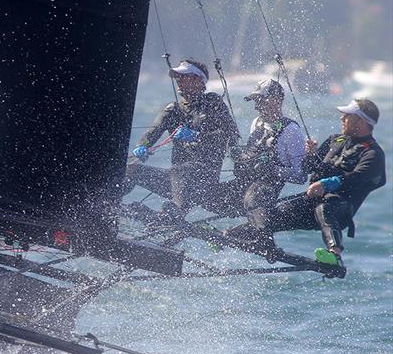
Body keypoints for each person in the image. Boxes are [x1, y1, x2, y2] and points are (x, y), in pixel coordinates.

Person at [268, 98, 385, 266]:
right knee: (271, 215)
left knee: (325, 207)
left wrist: (326, 184)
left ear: (360, 121)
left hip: (340, 209)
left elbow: (358, 177)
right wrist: (311, 155)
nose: (342, 119)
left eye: (347, 116)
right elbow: (309, 168)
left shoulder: (373, 154)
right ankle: (227, 236)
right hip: (311, 203)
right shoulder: (335, 140)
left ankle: (335, 255)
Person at [124, 59, 239, 221]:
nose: (179, 79)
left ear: (199, 81)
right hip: (175, 181)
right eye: (177, 76)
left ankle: (177, 214)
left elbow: (232, 135)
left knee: (178, 171)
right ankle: (108, 204)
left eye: (184, 76)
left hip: (203, 182)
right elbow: (150, 135)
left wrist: (198, 136)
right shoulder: (172, 110)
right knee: (128, 169)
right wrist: (141, 146)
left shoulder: (213, 103)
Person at [218, 79, 307, 251]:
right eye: (255, 101)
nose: (256, 107)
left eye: (260, 100)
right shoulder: (256, 123)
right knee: (210, 192)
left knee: (254, 195)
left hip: (266, 189)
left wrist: (273, 169)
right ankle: (176, 219)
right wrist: (240, 159)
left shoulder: (291, 131)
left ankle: (265, 240)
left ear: (276, 100)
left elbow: (301, 176)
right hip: (247, 185)